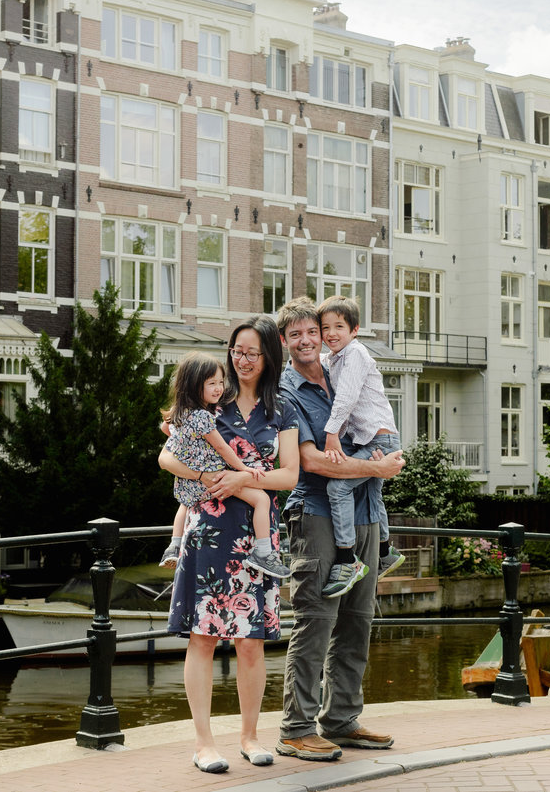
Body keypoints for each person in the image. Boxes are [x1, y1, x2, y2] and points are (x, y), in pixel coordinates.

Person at [162, 315, 299, 774]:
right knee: (201, 639)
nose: (241, 360)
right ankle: (203, 744)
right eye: (236, 351)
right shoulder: (208, 398)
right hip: (208, 530)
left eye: (251, 353)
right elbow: (166, 456)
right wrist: (205, 477)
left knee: (251, 643)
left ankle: (250, 736)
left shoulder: (283, 409)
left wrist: (242, 476)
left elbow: (290, 476)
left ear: (268, 357)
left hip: (257, 535)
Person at [275, 297, 405, 762]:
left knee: (357, 620)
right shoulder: (286, 391)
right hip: (317, 515)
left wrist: (380, 466)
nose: (309, 340)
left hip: (366, 509)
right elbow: (310, 461)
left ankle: (341, 719)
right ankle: (295, 728)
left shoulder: (342, 367)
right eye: (297, 335)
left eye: (314, 331)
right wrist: (378, 469)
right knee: (317, 620)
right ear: (285, 342)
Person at [158, 351, 290, 579]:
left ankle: (174, 545)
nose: (219, 388)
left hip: (187, 481)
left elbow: (167, 432)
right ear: (194, 386)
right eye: (212, 384)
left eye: (221, 382)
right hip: (214, 477)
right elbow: (222, 448)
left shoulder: (179, 414)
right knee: (261, 499)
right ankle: (263, 552)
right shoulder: (203, 417)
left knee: (184, 504)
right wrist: (244, 469)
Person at [316, 295, 406, 598]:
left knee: (338, 488)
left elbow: (347, 399)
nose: (331, 334)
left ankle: (346, 559)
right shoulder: (333, 358)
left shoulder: (355, 354)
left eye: (338, 326)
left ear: (354, 330)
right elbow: (314, 362)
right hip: (376, 438)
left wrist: (331, 434)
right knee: (371, 491)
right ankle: (385, 552)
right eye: (325, 327)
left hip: (379, 438)